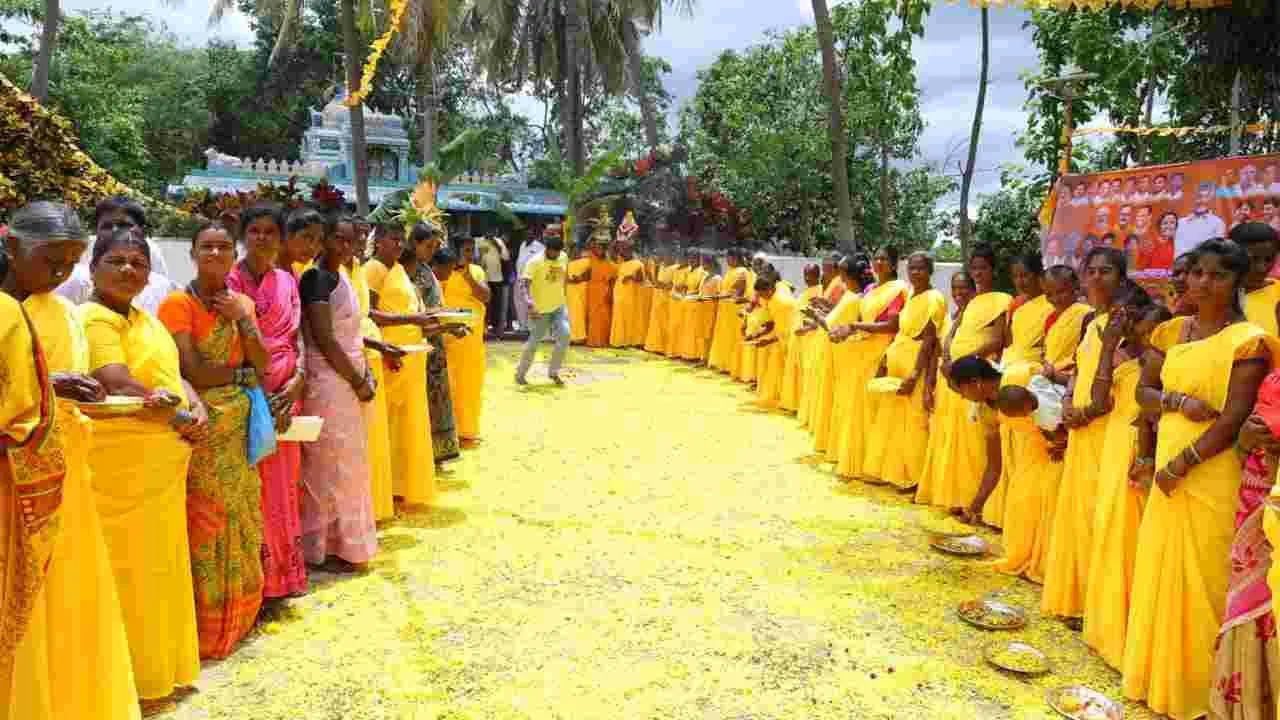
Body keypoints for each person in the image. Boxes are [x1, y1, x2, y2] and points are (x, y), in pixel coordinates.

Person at [1125, 239, 1277, 720]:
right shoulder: (1173, 332)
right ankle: (1157, 677)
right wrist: (1177, 405)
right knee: (1161, 565)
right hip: (1171, 452)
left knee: (1206, 575)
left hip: (1210, 469)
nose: (1203, 283)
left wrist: (1180, 464)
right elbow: (1143, 393)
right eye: (1198, 274)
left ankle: (1200, 692)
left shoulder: (1248, 340)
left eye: (1217, 275)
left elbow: (1233, 418)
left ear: (1236, 282)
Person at [0, 203, 141, 720]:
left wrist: (54, 391)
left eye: (69, 263)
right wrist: (48, 388)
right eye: (51, 260)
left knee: (58, 603)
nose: (60, 273)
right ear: (12, 246)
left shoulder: (48, 309)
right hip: (18, 483)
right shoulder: (8, 313)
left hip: (57, 475)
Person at [80, 228, 202, 712]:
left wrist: (194, 405)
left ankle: (163, 670)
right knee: (128, 573)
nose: (129, 270)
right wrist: (180, 416)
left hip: (160, 465)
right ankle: (128, 678)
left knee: (163, 568)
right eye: (118, 261)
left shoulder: (145, 321)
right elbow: (117, 381)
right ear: (94, 269)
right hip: (120, 471)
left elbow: (173, 378)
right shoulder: (91, 318)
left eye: (138, 262)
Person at [158, 222, 269, 659]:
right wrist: (242, 372)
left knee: (241, 519)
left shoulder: (241, 303)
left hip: (238, 435)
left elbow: (263, 364)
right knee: (207, 523)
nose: (216, 253)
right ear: (193, 252)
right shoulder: (177, 305)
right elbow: (195, 372)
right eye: (207, 246)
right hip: (204, 431)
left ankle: (241, 617)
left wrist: (244, 319)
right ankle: (206, 628)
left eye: (225, 246)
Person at [224, 205, 309, 600]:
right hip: (246, 395)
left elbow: (298, 337)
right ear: (243, 235)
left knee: (283, 487)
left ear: (280, 237)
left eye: (270, 231)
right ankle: (254, 582)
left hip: (285, 395)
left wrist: (298, 379)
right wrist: (256, 389)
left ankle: (283, 577)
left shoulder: (287, 280)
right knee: (252, 488)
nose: (262, 238)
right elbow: (224, 344)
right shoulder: (227, 280)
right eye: (254, 230)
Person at [1082, 291, 1168, 670]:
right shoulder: (1124, 364)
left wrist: (1147, 457)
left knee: (1132, 543)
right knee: (1109, 534)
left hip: (1140, 458)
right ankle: (1105, 629)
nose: (1146, 338)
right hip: (1114, 450)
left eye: (1154, 333)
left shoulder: (1165, 368)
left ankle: (1129, 637)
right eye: (1140, 330)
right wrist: (1106, 349)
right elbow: (1099, 400)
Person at [1041, 247, 1126, 624]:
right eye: (1091, 271)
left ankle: (1098, 607)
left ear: (1121, 278)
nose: (1096, 278)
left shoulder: (1126, 322)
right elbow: (1078, 369)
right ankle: (1077, 600)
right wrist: (1067, 404)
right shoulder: (1092, 323)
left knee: (1099, 517)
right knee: (1077, 514)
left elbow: (1124, 381)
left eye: (1105, 271)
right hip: (1080, 429)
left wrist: (1086, 412)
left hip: (1108, 431)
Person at [297, 214, 378, 571]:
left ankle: (345, 543)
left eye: (351, 240)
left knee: (348, 462)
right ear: (323, 240)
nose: (345, 248)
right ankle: (324, 546)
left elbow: (352, 333)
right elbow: (325, 339)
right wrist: (357, 379)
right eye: (338, 240)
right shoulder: (316, 279)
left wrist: (365, 372)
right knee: (327, 463)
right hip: (329, 380)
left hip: (348, 375)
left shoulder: (342, 274)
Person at [917, 244, 1011, 516]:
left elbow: (996, 339)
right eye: (974, 268)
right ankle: (957, 497)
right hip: (958, 379)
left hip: (976, 376)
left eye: (983, 268)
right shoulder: (970, 305)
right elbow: (950, 336)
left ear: (993, 270)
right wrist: (948, 359)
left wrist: (964, 363)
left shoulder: (1001, 299)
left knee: (976, 445)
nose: (978, 273)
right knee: (957, 441)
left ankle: (978, 502)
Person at [1216, 369, 1280, 719]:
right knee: (1248, 602)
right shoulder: (1273, 382)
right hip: (1255, 500)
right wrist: (1245, 438)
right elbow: (1243, 451)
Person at [365, 224, 438, 507]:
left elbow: (405, 310)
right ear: (378, 241)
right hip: (389, 354)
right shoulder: (373, 269)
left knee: (405, 421)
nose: (397, 244)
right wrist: (410, 322)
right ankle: (387, 487)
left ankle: (399, 483)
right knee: (391, 421)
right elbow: (369, 313)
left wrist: (427, 319)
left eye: (400, 240)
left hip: (411, 354)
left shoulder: (397, 270)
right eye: (392, 239)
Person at [862, 252, 945, 489]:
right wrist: (885, 360)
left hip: (915, 366)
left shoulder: (934, 298)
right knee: (895, 420)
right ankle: (897, 473)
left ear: (930, 271)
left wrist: (915, 375)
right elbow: (900, 332)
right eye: (911, 268)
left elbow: (930, 341)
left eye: (920, 268)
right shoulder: (911, 296)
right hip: (898, 359)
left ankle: (915, 477)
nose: (915, 273)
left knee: (915, 421)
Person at [831, 246, 908, 482]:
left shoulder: (899, 290)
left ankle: (877, 466)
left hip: (882, 350)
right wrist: (846, 330)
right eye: (876, 258)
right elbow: (861, 319)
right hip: (862, 350)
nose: (879, 262)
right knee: (859, 406)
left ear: (894, 264)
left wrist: (855, 328)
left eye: (885, 258)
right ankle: (860, 459)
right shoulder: (872, 289)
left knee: (875, 407)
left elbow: (892, 326)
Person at [914, 271, 978, 507]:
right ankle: (947, 495)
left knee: (967, 444)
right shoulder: (951, 317)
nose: (959, 293)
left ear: (973, 290)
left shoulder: (977, 318)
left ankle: (967, 499)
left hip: (966, 386)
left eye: (964, 288)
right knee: (945, 440)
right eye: (955, 288)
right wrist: (929, 385)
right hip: (944, 386)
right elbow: (936, 353)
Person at [57, 196, 177, 315]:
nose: (115, 231)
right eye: (107, 226)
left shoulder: (152, 255)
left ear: (141, 230)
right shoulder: (78, 269)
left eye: (124, 225)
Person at [409, 222, 464, 465]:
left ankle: (436, 453)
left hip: (435, 344)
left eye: (435, 246)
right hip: (420, 344)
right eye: (428, 246)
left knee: (438, 400)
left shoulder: (425, 270)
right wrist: (445, 321)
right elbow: (416, 312)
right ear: (415, 244)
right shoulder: (411, 272)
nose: (432, 251)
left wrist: (450, 320)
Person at [441, 239, 489, 448]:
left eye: (472, 250)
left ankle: (468, 430)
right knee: (451, 383)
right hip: (451, 337)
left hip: (472, 340)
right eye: (467, 250)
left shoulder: (476, 271)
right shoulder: (444, 270)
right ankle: (452, 430)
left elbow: (485, 296)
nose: (470, 254)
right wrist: (463, 316)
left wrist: (468, 275)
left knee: (470, 383)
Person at [516, 227, 571, 385]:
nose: (556, 255)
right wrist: (530, 304)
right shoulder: (535, 262)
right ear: (547, 249)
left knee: (565, 335)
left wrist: (564, 296)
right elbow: (524, 285)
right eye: (553, 252)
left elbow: (563, 278)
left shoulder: (563, 257)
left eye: (558, 252)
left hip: (559, 306)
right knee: (534, 342)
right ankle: (521, 373)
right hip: (539, 310)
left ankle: (553, 372)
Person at [779, 263, 823, 413]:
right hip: (798, 337)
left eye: (810, 275)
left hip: (809, 337)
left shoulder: (819, 291)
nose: (806, 278)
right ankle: (795, 403)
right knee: (795, 370)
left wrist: (805, 329)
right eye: (805, 274)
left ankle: (804, 407)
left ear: (817, 275)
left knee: (805, 371)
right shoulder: (806, 291)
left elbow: (819, 317)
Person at [1236, 221, 1280, 337]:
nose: (1262, 268)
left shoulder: (1278, 291)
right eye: (1253, 259)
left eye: (1269, 259)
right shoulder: (1211, 295)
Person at [708, 250, 748, 371]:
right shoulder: (730, 271)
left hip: (734, 308)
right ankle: (724, 363)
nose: (728, 260)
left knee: (733, 336)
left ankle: (733, 366)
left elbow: (737, 292)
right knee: (724, 335)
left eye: (730, 258)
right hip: (725, 307)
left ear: (736, 258)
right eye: (727, 258)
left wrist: (719, 296)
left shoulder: (742, 271)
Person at [1175, 182, 1228, 257]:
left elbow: (1217, 251)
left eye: (1206, 197)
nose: (1201, 200)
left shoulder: (1218, 223)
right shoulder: (1180, 222)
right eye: (1199, 196)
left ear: (1212, 200)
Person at [610, 239, 646, 349]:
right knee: (619, 317)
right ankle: (619, 341)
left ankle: (631, 341)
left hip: (630, 295)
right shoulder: (621, 263)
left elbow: (640, 280)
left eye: (625, 250)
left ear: (631, 251)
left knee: (630, 317)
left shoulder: (638, 264)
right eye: (622, 250)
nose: (623, 252)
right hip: (619, 293)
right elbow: (611, 254)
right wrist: (615, 243)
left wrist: (630, 277)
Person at [585, 236, 617, 348]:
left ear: (605, 250)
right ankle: (593, 341)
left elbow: (613, 281)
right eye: (597, 248)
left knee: (604, 317)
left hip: (604, 291)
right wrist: (594, 237)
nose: (598, 250)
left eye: (601, 249)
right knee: (593, 316)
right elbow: (588, 245)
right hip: (592, 291)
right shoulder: (591, 260)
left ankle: (603, 340)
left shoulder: (610, 264)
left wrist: (610, 294)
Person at [476, 234, 509, 338]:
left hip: (496, 278)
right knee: (484, 304)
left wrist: (498, 245)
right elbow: (475, 257)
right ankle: (483, 327)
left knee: (496, 305)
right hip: (482, 277)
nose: (489, 232)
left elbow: (506, 257)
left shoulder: (498, 241)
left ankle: (496, 329)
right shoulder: (478, 241)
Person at [514, 231, 546, 332]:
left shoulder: (540, 247)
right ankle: (522, 326)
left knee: (531, 303)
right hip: (519, 278)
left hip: (531, 280)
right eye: (526, 233)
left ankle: (532, 327)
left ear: (535, 235)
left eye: (530, 233)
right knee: (519, 303)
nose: (528, 235)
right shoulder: (522, 244)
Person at [643, 252, 674, 355]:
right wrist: (655, 268)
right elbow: (656, 282)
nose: (664, 258)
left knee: (665, 324)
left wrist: (663, 285)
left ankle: (665, 347)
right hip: (658, 298)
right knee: (656, 323)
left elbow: (671, 285)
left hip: (668, 299)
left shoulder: (675, 268)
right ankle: (655, 346)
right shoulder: (661, 266)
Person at [282, 208, 324, 278]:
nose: (312, 247)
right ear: (288, 235)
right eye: (307, 238)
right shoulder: (264, 270)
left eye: (319, 241)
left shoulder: (295, 273)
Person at [566, 245, 591, 345]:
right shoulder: (567, 263)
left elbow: (590, 273)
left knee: (580, 314)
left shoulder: (587, 261)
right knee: (571, 314)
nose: (575, 253)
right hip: (570, 291)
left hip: (582, 290)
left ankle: (581, 337)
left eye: (577, 251)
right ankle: (572, 337)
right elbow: (564, 277)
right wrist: (571, 280)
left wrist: (580, 278)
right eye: (572, 251)